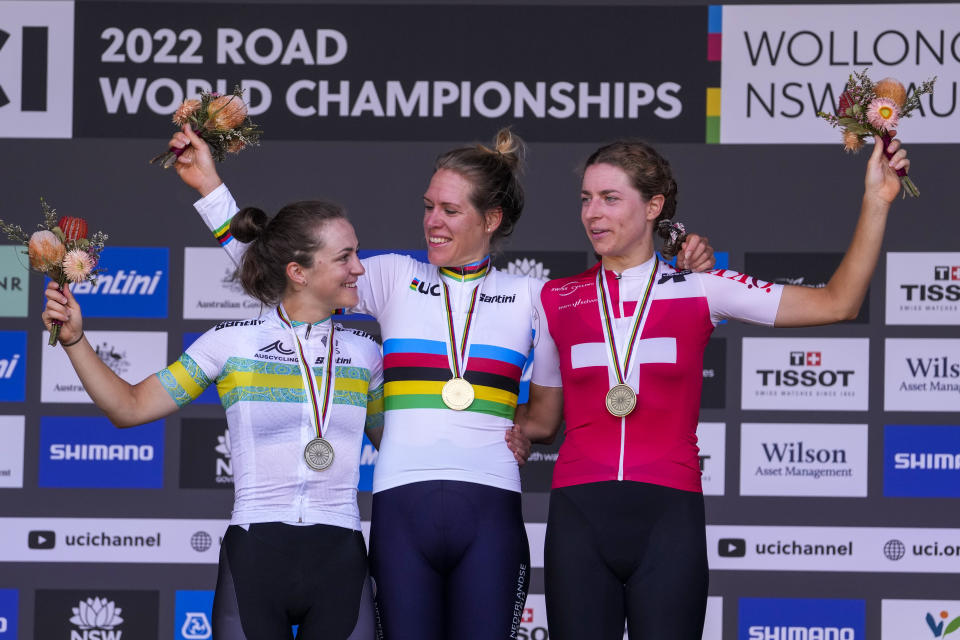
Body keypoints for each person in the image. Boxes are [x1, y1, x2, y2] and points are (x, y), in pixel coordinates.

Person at [167, 126, 716, 638]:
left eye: (451, 210)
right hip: (403, 509)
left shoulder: (533, 298)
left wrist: (684, 255)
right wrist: (210, 187)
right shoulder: (391, 277)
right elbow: (284, 268)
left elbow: (553, 412)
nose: (433, 221)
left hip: (491, 509)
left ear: (492, 218)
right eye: (429, 206)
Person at [519, 133, 909, 639]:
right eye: (586, 198)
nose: (593, 212)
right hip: (577, 518)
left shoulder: (703, 287)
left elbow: (839, 303)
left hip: (668, 519)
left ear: (654, 206)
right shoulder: (556, 298)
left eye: (611, 198)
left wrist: (876, 202)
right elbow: (543, 421)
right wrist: (478, 423)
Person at [42, 200, 383, 639]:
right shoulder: (231, 344)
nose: (360, 268)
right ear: (298, 272)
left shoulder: (366, 353)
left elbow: (398, 445)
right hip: (256, 553)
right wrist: (75, 341)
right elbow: (129, 407)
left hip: (342, 554)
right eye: (345, 257)